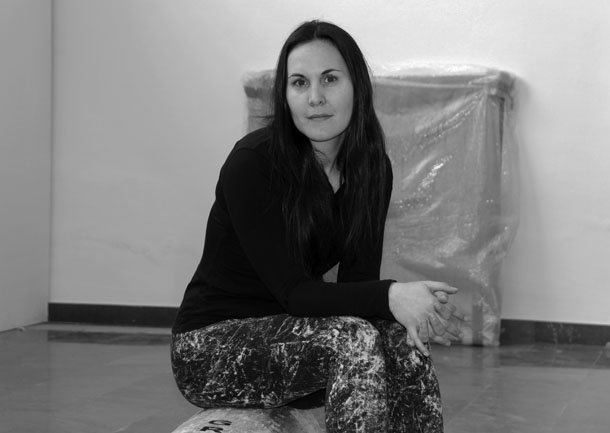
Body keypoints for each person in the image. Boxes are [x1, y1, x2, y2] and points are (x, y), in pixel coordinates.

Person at [171, 20, 466, 433]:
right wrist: (393, 295)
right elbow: (295, 293)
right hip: (212, 348)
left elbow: (356, 285)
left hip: (300, 339)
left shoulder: (371, 168)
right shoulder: (253, 163)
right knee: (353, 339)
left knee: (401, 338)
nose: (315, 98)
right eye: (299, 83)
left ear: (357, 86)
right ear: (285, 95)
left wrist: (407, 310)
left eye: (329, 79)